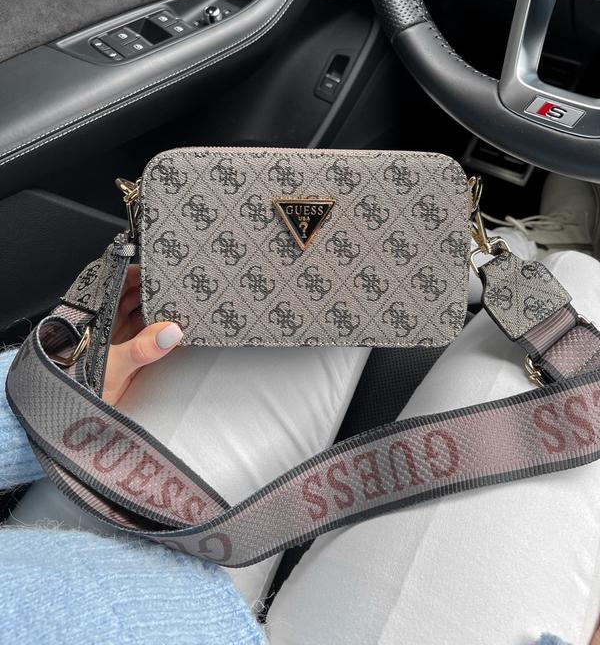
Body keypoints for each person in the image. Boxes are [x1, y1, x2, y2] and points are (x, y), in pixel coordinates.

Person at [2, 175, 600, 645]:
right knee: (581, 280)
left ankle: (455, 257)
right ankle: (522, 254)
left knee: (320, 259)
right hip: (103, 586)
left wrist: (45, 397)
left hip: (60, 570)